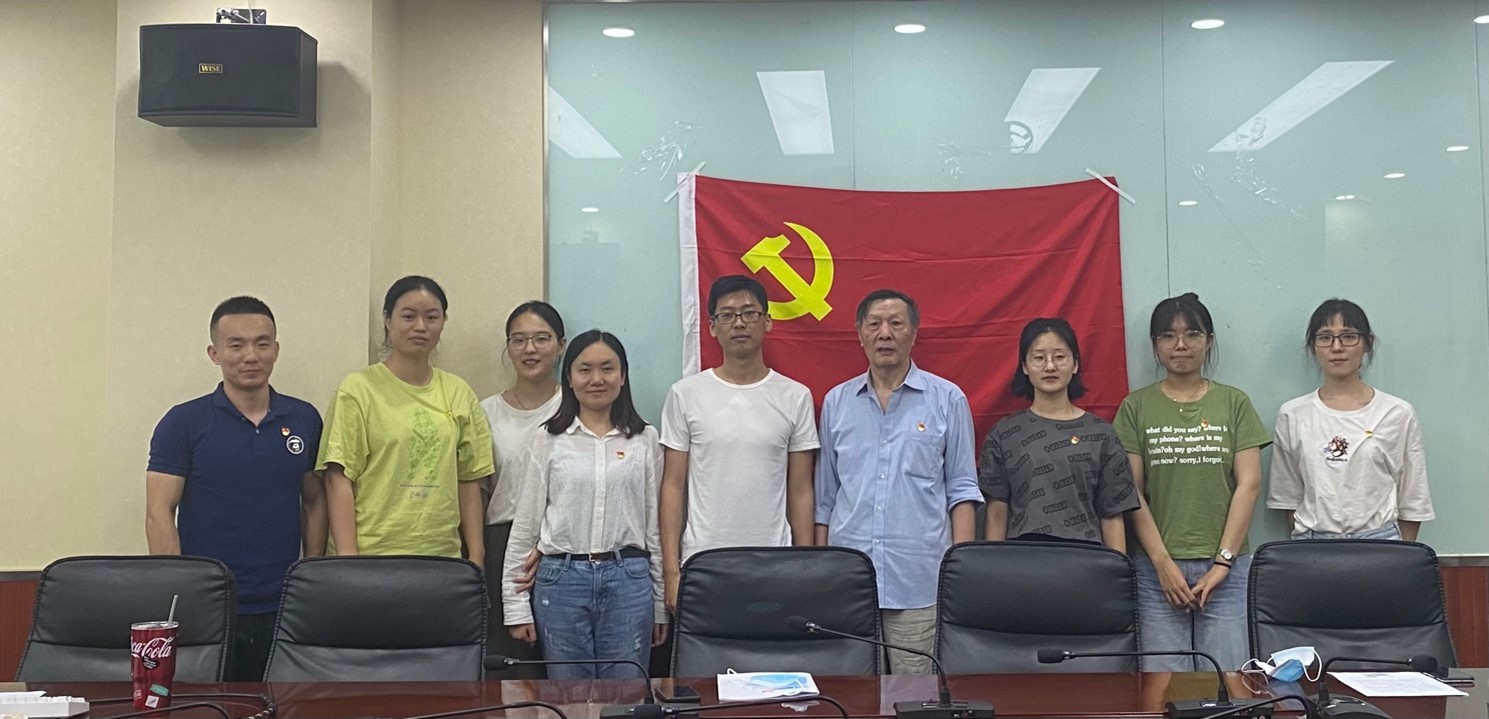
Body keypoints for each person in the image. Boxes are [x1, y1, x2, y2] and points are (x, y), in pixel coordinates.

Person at [146, 296, 325, 681]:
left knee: (284, 704)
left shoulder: (305, 418)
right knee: (208, 703)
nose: (251, 356)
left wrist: (310, 577)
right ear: (215, 353)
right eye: (236, 345)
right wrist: (179, 589)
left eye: (262, 343)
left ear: (276, 349)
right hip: (209, 605)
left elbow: (314, 502)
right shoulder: (182, 423)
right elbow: (159, 511)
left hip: (284, 604)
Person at [814, 289, 981, 674]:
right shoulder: (837, 402)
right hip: (848, 583)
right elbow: (825, 499)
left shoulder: (948, 399)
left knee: (916, 695)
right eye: (874, 324)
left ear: (914, 332)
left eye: (896, 323)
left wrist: (959, 572)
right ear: (860, 334)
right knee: (850, 694)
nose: (885, 333)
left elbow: (962, 491)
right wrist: (822, 571)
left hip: (920, 583)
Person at [1114, 292, 1269, 671]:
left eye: (1192, 334)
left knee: (1229, 683)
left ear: (1209, 341)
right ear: (1155, 344)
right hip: (1156, 573)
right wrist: (1162, 564)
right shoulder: (1135, 407)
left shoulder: (1234, 403)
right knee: (1164, 687)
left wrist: (1223, 563)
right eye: (1168, 335)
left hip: (1227, 572)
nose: (1180, 345)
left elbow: (1249, 485)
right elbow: (1132, 492)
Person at [502, 330, 668, 678]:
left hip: (628, 581)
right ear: (569, 377)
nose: (596, 379)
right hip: (561, 582)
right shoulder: (547, 438)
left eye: (607, 368)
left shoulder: (644, 438)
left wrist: (659, 603)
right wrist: (515, 605)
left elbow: (655, 527)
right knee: (568, 695)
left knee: (626, 694)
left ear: (623, 376)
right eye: (585, 369)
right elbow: (526, 525)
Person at [659, 275, 819, 611]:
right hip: (703, 563)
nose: (739, 323)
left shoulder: (795, 396)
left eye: (749, 313)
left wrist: (804, 567)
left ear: (767, 321)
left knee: (771, 644)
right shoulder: (685, 394)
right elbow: (673, 486)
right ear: (712, 327)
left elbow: (801, 490)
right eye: (727, 315)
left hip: (775, 563)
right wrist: (671, 572)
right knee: (705, 647)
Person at [319, 275, 494, 563]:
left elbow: (469, 479)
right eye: (409, 316)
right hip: (372, 556)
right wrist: (349, 561)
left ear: (443, 322)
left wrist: (476, 555)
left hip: (441, 557)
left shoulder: (458, 391)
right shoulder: (358, 389)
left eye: (432, 317)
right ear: (388, 320)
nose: (421, 326)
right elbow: (338, 479)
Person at [1267, 299, 1432, 540]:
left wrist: (1399, 553)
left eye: (1348, 337)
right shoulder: (1293, 414)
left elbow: (1413, 498)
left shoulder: (1397, 413)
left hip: (1381, 543)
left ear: (1368, 343)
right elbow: (1288, 496)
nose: (1337, 347)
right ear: (1313, 346)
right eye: (1325, 337)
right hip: (1312, 545)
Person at [980, 318, 1138, 548]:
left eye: (1060, 356)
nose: (1050, 366)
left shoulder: (1101, 434)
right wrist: (994, 564)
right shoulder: (1004, 434)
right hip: (1022, 557)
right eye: (1039, 358)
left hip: (1087, 558)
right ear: (1024, 366)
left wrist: (1118, 566)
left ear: (1075, 364)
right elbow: (996, 513)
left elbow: (1112, 513)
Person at [480, 301, 566, 676]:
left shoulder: (577, 406)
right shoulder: (486, 412)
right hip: (502, 545)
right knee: (512, 669)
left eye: (541, 339)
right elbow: (479, 490)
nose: (530, 349)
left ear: (561, 346)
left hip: (561, 547)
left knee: (563, 666)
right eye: (519, 340)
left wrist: (547, 544)